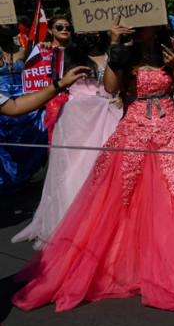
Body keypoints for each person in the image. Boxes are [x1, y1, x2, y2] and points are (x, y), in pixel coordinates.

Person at [12, 16, 174, 312]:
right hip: (132, 133)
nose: (136, 29)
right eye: (133, 26)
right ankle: (131, 265)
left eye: (142, 25)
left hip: (171, 133)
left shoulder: (170, 55)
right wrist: (115, 43)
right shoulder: (124, 54)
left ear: (155, 26)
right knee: (124, 200)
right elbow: (110, 88)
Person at [12, 31, 122, 249]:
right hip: (77, 119)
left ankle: (101, 225)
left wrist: (122, 96)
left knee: (104, 171)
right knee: (73, 171)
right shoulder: (64, 55)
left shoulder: (115, 52)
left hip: (109, 115)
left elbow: (121, 83)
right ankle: (73, 225)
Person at [0, 25, 49, 194]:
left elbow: (39, 65)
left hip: (24, 97)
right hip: (3, 99)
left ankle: (27, 173)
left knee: (34, 131)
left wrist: (44, 48)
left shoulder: (23, 50)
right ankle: (8, 177)